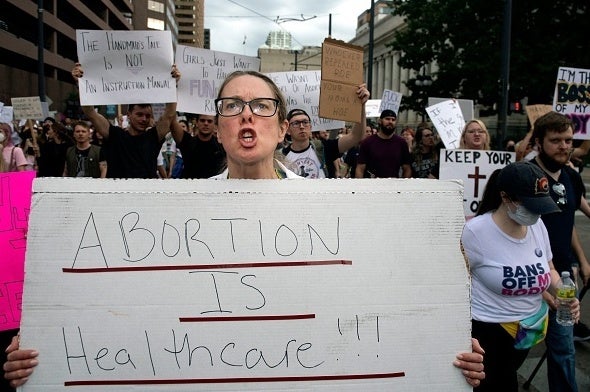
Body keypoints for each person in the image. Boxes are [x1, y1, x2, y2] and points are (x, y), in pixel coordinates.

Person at [3, 70, 485, 389]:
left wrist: (442, 343)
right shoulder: (169, 214)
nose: (246, 114)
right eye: (232, 106)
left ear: (283, 128)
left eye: (261, 106)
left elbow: (387, 300)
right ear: (218, 124)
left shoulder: (341, 209)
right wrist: (43, 348)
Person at [462, 161, 580, 391]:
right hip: (488, 333)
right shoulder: (475, 232)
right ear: (506, 197)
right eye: (531, 206)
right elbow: (453, 285)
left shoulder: (538, 226)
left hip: (528, 331)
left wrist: (564, 294)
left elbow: (550, 269)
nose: (536, 213)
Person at [530, 111, 588, 391]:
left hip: (562, 279)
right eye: (556, 140)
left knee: (563, 349)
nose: (564, 146)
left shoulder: (571, 177)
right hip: (525, 278)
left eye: (568, 140)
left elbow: (569, 222)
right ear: (539, 142)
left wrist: (583, 262)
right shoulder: (525, 177)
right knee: (511, 351)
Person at [71, 63, 180, 178]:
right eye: (139, 114)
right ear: (128, 115)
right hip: (118, 194)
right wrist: (81, 83)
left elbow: (169, 114)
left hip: (146, 194)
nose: (144, 119)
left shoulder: (153, 137)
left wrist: (173, 84)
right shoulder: (115, 135)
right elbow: (90, 113)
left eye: (148, 116)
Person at [281, 89, 369, 178]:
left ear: (311, 127)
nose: (302, 126)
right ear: (287, 130)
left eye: (305, 122)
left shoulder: (324, 148)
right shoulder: (280, 157)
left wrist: (361, 106)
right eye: (296, 123)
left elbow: (356, 136)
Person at [355, 109, 412, 178]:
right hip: (372, 186)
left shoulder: (401, 143)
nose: (390, 122)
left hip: (394, 186)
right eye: (387, 119)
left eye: (393, 120)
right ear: (380, 121)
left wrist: (404, 186)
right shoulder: (367, 142)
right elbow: (360, 169)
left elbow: (407, 168)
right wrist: (360, 187)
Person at [172, 113, 225, 178]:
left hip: (213, 186)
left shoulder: (221, 145)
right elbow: (172, 122)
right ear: (196, 123)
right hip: (189, 186)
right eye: (202, 120)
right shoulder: (187, 141)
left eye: (209, 121)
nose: (206, 123)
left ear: (215, 125)